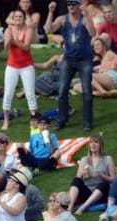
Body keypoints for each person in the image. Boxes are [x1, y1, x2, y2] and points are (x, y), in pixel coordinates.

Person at [44, 0, 96, 132]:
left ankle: (87, 122)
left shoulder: (84, 19)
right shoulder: (62, 19)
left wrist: (87, 18)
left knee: (87, 92)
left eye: (74, 4)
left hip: (84, 59)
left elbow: (93, 33)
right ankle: (62, 120)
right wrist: (50, 12)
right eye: (69, 4)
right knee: (62, 91)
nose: (71, 7)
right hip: (68, 58)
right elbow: (48, 30)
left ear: (79, 6)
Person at [2, 10, 37, 132]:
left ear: (23, 18)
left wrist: (14, 41)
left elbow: (26, 47)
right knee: (8, 93)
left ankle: (33, 118)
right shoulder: (9, 29)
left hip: (26, 65)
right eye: (15, 16)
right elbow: (6, 48)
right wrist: (8, 39)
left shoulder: (29, 29)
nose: (17, 18)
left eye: (20, 16)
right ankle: (6, 120)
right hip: (12, 65)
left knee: (29, 93)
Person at [67, 135, 116, 215]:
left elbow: (114, 179)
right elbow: (78, 179)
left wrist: (102, 175)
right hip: (87, 191)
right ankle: (70, 207)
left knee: (104, 184)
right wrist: (82, 174)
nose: (93, 144)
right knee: (76, 180)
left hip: (101, 193)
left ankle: (82, 208)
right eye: (91, 142)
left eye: (96, 142)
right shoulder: (84, 160)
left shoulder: (107, 159)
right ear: (89, 145)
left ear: (101, 145)